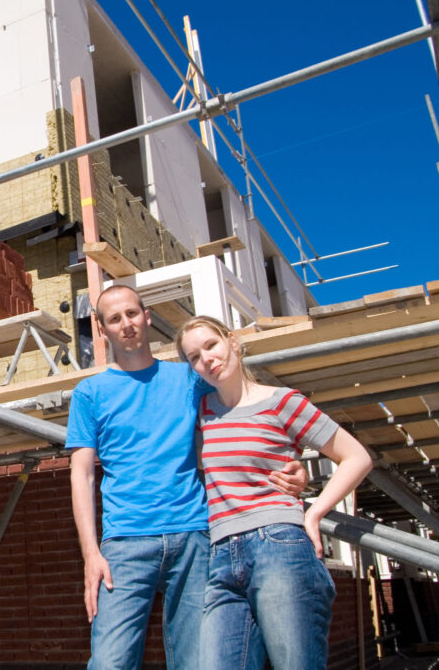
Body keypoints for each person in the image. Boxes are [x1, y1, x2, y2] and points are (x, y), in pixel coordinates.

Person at [66, 285, 306, 669]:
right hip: (124, 543)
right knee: (110, 662)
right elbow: (81, 476)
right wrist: (90, 554)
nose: (126, 324)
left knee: (198, 662)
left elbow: (244, 407)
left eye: (131, 314)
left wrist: (292, 460)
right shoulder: (90, 392)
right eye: (114, 319)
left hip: (194, 537)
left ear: (146, 316)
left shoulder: (189, 378)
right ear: (102, 329)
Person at [175, 315, 373, 670]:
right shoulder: (202, 413)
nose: (206, 358)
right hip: (220, 557)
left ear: (232, 342)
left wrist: (313, 511)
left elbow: (356, 457)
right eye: (194, 357)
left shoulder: (282, 402)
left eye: (211, 345)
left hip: (278, 547)